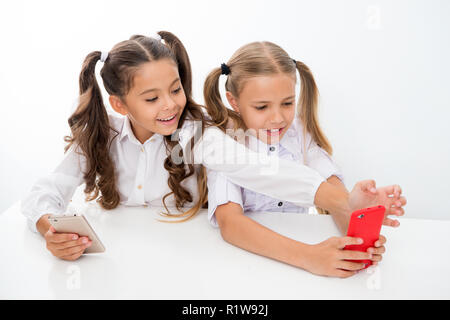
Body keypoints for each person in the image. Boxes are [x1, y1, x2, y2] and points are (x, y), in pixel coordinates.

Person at [203, 41, 406, 277]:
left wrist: (355, 238)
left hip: (299, 253)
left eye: (287, 103)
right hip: (245, 263)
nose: (278, 118)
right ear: (234, 101)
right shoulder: (224, 142)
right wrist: (310, 257)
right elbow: (231, 225)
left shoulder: (298, 131)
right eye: (262, 107)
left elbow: (331, 185)